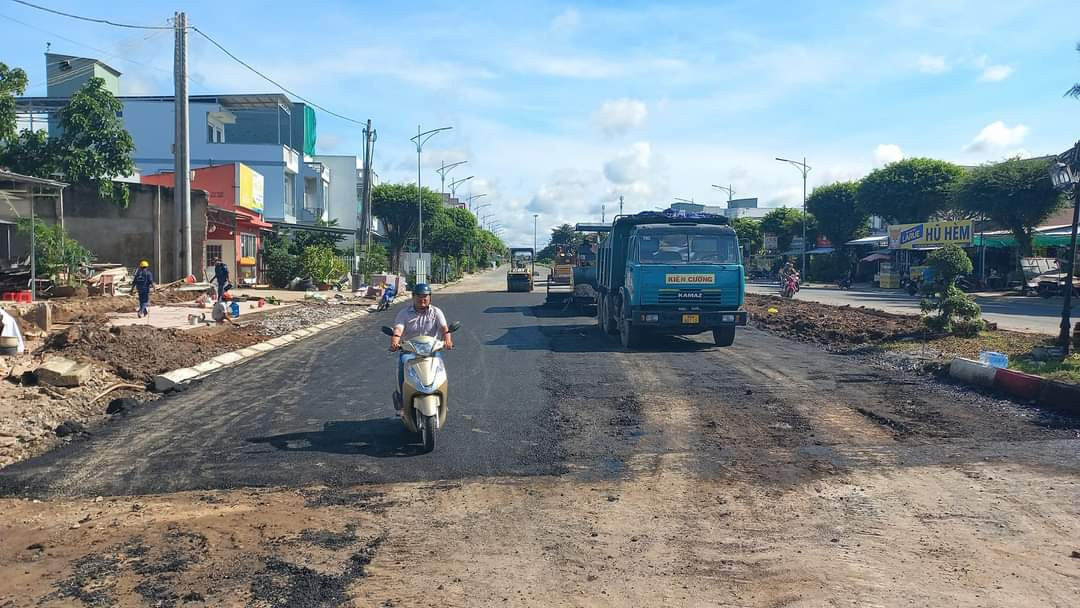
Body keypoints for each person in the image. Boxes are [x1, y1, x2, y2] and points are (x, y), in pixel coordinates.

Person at [388, 283, 454, 416]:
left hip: (432, 351)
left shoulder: (436, 312)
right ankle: (402, 402)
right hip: (410, 351)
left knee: (441, 371)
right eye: (419, 297)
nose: (422, 300)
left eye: (425, 297)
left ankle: (443, 400)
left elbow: (444, 328)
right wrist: (395, 341)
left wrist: (448, 340)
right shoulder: (404, 313)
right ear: (413, 297)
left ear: (430, 298)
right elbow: (398, 329)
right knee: (402, 364)